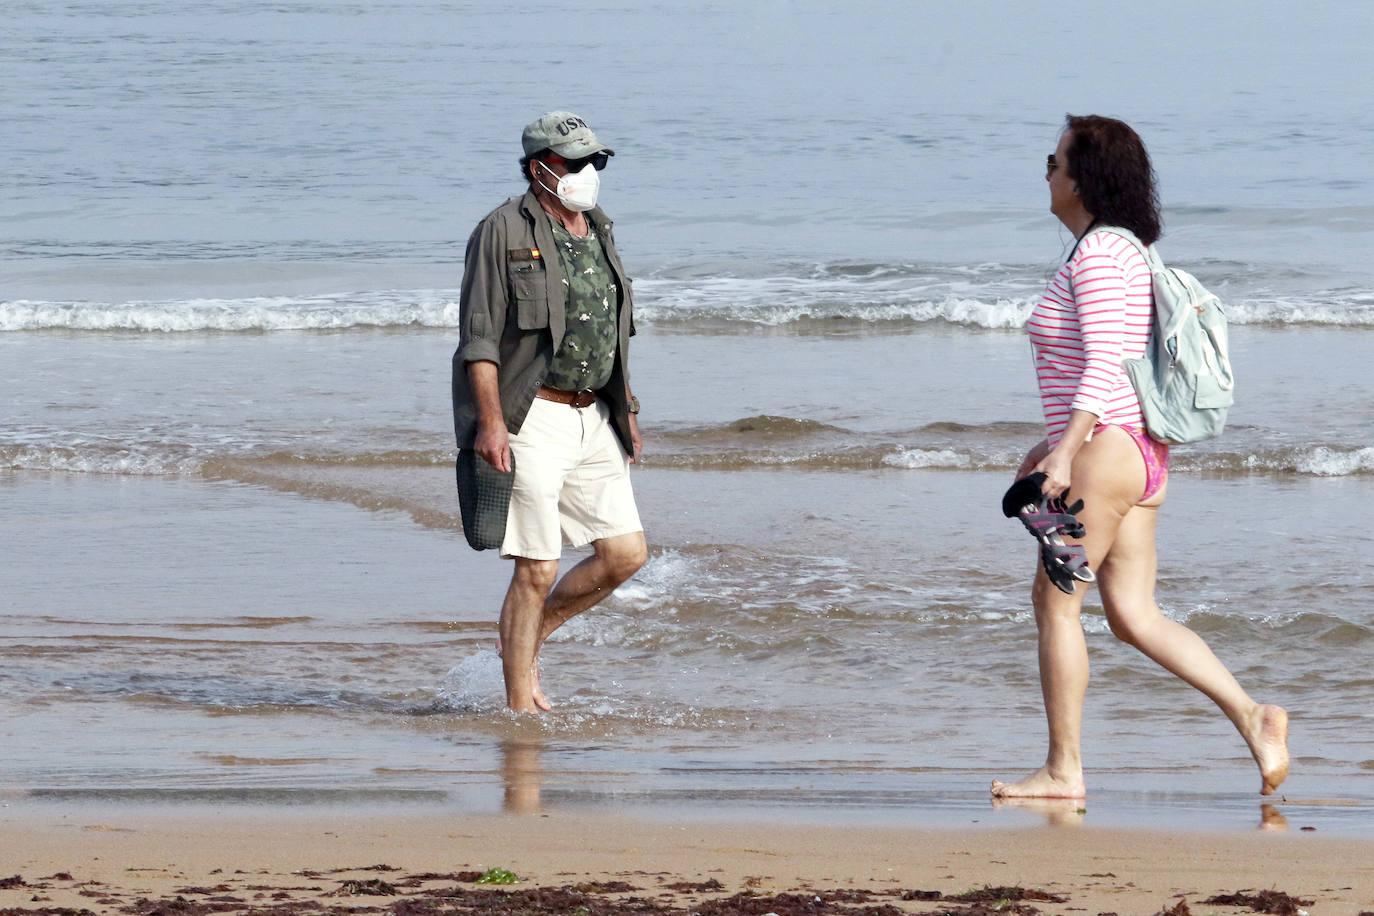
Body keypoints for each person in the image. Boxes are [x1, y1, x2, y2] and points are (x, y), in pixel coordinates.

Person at [990, 114, 1289, 798]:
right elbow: (1117, 369)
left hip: (1105, 455)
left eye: (1054, 160)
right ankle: (1255, 715)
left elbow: (1101, 367)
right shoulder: (1123, 251)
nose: (1047, 172)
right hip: (1137, 455)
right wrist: (1049, 443)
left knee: (1055, 601)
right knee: (1133, 615)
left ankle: (1064, 771)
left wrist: (1063, 454)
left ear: (1084, 177)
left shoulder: (1099, 256)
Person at [452, 111, 647, 713]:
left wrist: (627, 410)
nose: (589, 172)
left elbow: (611, 329)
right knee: (537, 569)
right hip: (530, 415)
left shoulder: (599, 227)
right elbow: (479, 338)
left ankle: (524, 639)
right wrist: (490, 423)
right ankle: (520, 716)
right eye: (575, 162)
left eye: (597, 161)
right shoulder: (501, 230)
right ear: (540, 167)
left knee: (625, 554)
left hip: (595, 415)